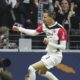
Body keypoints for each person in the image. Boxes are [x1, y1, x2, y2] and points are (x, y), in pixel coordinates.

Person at [13, 9, 67, 80]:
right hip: (49, 54)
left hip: (56, 56)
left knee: (31, 68)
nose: (43, 19)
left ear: (51, 17)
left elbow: (63, 47)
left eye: (45, 17)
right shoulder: (44, 26)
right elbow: (34, 32)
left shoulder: (61, 30)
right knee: (41, 72)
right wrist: (19, 29)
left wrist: (49, 43)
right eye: (43, 17)